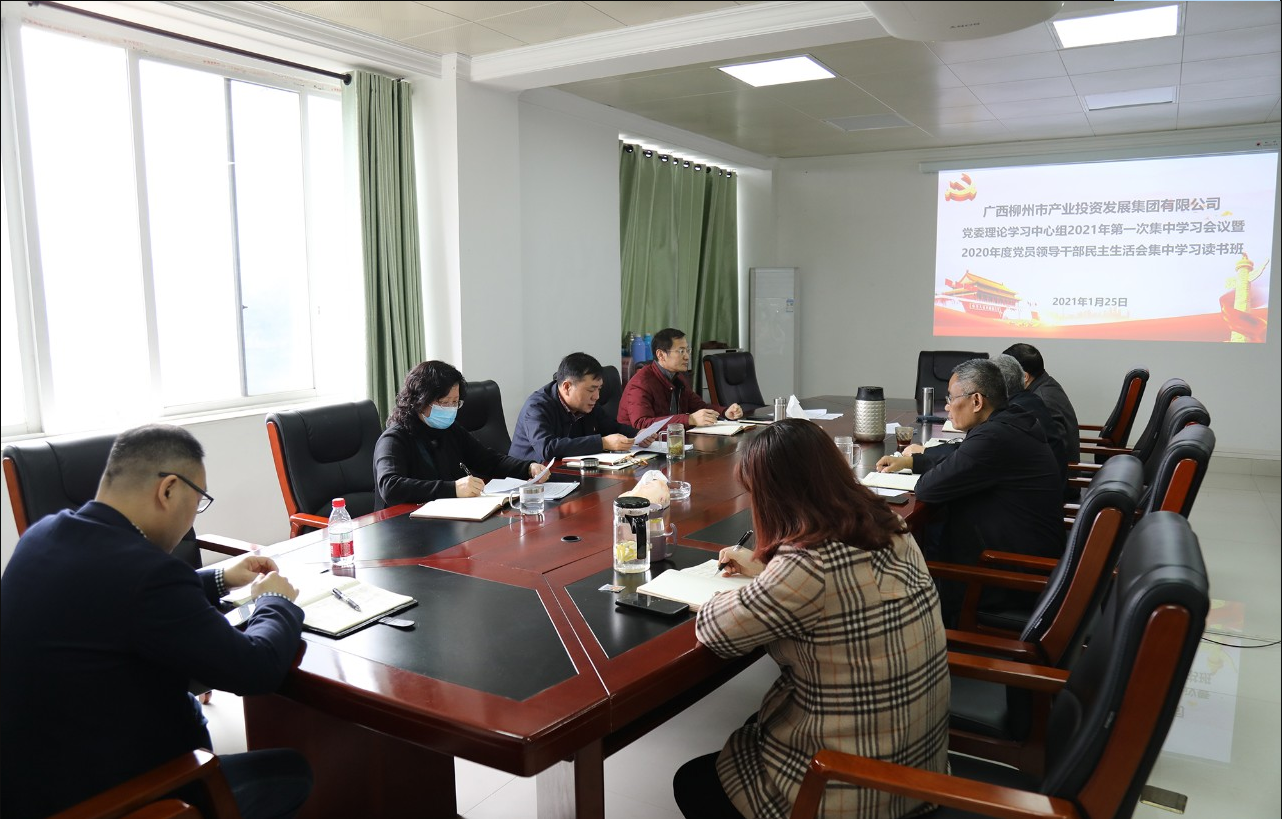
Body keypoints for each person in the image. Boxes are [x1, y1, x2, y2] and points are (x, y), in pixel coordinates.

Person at [0, 425, 311, 819]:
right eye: (198, 501)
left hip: (31, 781)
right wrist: (274, 600)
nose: (193, 515)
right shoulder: (147, 574)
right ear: (168, 490)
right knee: (292, 771)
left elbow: (114, 597)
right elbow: (256, 669)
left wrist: (220, 577)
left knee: (187, 705)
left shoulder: (43, 534)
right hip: (107, 800)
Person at [673, 419, 950, 819]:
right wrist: (767, 571)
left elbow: (716, 632)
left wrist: (749, 585)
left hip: (854, 793)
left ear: (773, 498)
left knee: (693, 781)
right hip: (918, 770)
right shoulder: (891, 526)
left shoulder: (808, 564)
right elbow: (839, 586)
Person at [876, 359, 1063, 624]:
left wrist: (921, 467)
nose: (947, 407)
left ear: (976, 401)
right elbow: (961, 454)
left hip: (1007, 578)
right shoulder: (1012, 420)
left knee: (907, 564)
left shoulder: (994, 438)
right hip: (1027, 559)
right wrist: (911, 461)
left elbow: (928, 489)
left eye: (951, 398)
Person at [374, 360, 546, 509]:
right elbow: (390, 487)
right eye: (444, 402)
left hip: (447, 514)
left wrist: (528, 467)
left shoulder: (450, 430)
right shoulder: (394, 439)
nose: (450, 409)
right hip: (405, 523)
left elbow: (489, 460)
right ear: (419, 400)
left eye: (455, 402)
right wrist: (453, 488)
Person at [510, 352, 657, 461]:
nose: (597, 396)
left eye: (599, 389)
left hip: (570, 474)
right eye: (591, 390)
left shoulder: (587, 405)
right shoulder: (537, 407)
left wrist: (637, 434)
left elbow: (610, 427)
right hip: (529, 483)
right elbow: (548, 448)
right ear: (567, 387)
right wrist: (603, 443)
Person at [618, 327, 743, 429]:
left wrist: (725, 412)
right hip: (638, 447)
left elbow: (699, 406)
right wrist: (689, 419)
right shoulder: (641, 382)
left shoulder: (679, 377)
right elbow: (642, 424)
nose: (687, 357)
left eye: (688, 350)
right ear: (661, 355)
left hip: (671, 441)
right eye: (681, 351)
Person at [992, 353, 1070, 495]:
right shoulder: (1037, 393)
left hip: (1054, 488)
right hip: (1046, 485)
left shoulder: (1039, 400)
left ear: (1024, 376)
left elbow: (1057, 450)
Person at [1002, 342, 1081, 464]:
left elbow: (1055, 452)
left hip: (1060, 472)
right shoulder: (1047, 383)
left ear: (1024, 376)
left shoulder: (1041, 401)